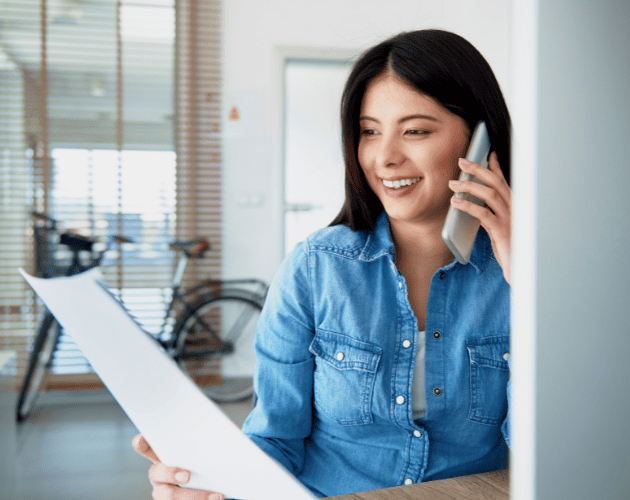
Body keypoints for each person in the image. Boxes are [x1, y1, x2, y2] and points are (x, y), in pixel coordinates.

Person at [133, 28, 513, 499]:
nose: (385, 158)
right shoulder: (315, 268)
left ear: (479, 141)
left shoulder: (522, 275)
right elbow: (275, 438)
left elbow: (549, 446)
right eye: (369, 131)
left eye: (415, 131)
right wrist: (213, 485)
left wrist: (530, 281)